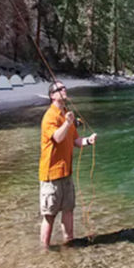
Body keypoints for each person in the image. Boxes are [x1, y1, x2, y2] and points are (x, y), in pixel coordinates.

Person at [39, 80, 96, 247]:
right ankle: (44, 250)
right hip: (51, 175)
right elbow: (57, 137)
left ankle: (68, 244)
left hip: (66, 173)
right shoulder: (50, 116)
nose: (64, 90)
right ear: (52, 96)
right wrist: (67, 123)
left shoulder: (66, 114)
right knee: (49, 215)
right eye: (59, 88)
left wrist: (89, 141)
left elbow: (76, 141)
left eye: (64, 87)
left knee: (69, 210)